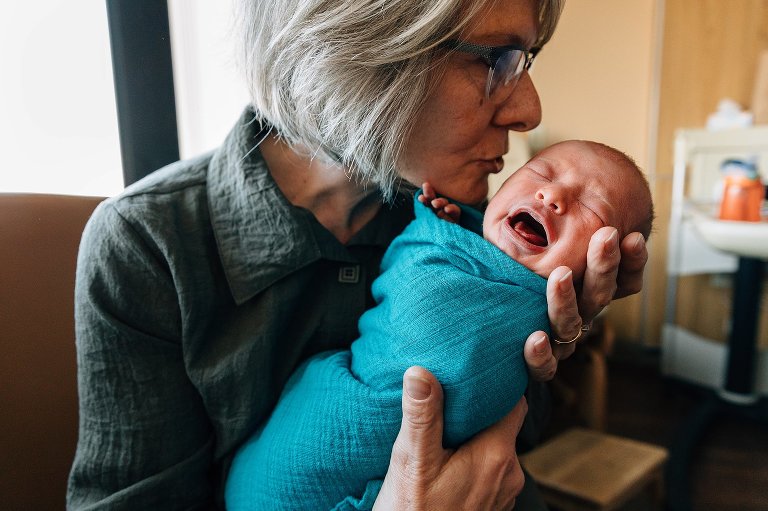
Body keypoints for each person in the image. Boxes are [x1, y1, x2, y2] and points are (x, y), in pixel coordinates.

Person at [67, 0, 650, 509]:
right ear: (358, 47)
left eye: (525, 60)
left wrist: (535, 334)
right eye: (493, 58)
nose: (529, 109)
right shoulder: (146, 246)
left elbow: (507, 451)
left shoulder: (458, 223)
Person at [224, 140, 654, 510]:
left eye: (593, 208)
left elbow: (500, 416)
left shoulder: (548, 303)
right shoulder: (440, 227)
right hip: (331, 409)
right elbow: (404, 276)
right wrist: (440, 232)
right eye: (541, 171)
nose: (552, 195)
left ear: (605, 261)